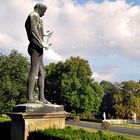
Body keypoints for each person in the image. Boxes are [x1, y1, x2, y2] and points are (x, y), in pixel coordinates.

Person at [25, 3, 50, 103]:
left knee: (42, 72)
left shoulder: (37, 18)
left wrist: (45, 34)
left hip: (38, 47)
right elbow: (33, 30)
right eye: (43, 12)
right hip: (35, 46)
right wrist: (42, 43)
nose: (43, 14)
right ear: (40, 9)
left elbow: (37, 30)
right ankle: (30, 98)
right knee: (34, 70)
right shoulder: (33, 15)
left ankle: (42, 98)